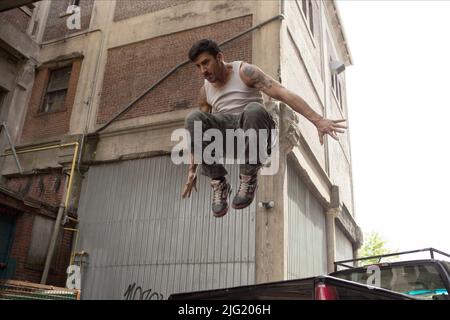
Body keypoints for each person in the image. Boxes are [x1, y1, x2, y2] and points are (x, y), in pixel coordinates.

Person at [182, 39, 346, 218]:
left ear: (219, 57)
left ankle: (248, 177)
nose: (203, 70)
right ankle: (219, 183)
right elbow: (196, 133)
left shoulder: (245, 72)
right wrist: (192, 169)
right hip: (230, 141)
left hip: (257, 135)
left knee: (254, 109)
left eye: (206, 62)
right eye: (198, 66)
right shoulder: (205, 92)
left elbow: (282, 92)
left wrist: (318, 119)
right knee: (194, 118)